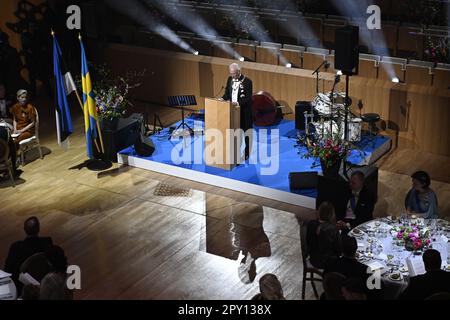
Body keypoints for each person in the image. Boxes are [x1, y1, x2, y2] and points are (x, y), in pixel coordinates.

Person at [4, 217, 53, 289]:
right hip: (44, 281)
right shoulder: (47, 242)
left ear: (25, 230)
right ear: (39, 229)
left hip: (23, 285)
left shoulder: (16, 247)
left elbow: (8, 269)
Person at [221, 63, 253, 159]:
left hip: (244, 112)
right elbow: (227, 94)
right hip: (233, 112)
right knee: (236, 134)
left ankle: (247, 152)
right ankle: (236, 154)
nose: (233, 76)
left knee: (246, 133)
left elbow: (248, 98)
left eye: (234, 74)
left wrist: (237, 103)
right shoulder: (229, 79)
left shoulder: (248, 82)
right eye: (231, 73)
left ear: (239, 71)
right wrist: (222, 99)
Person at [306, 201, 341, 269]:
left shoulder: (311, 224)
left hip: (313, 259)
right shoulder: (333, 229)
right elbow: (339, 250)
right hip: (328, 263)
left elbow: (308, 242)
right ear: (332, 214)